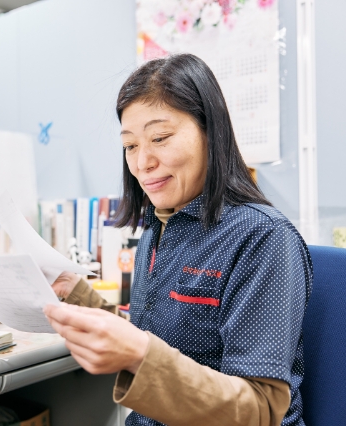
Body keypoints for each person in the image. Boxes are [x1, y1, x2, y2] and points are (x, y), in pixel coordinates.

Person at [44, 54, 312, 426]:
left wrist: (139, 354)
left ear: (210, 132)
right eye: (130, 145)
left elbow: (260, 409)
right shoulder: (158, 227)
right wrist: (75, 292)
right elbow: (150, 340)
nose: (142, 163)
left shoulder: (261, 237)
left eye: (160, 138)